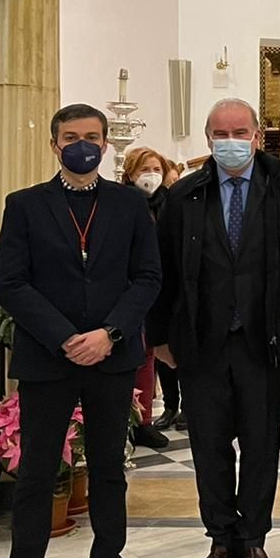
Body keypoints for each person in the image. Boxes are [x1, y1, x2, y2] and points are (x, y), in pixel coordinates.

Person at [0, 104, 162, 558]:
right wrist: (65, 337)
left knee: (109, 468)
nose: (81, 145)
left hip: (111, 356)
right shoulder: (25, 205)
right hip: (48, 357)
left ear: (106, 145)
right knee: (37, 471)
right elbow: (10, 282)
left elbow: (148, 277)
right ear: (54, 145)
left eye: (91, 136)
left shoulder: (130, 204)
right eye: (70, 137)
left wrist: (109, 333)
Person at [148, 98, 280, 558]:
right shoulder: (185, 195)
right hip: (202, 343)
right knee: (209, 445)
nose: (231, 141)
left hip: (265, 340)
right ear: (208, 139)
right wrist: (159, 337)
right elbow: (162, 270)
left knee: (262, 444)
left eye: (240, 132)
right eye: (221, 134)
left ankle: (254, 540)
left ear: (257, 137)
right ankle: (221, 539)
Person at [122, 146, 176, 448]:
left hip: (161, 289)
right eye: (145, 170)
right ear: (130, 174)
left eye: (157, 170)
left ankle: (144, 421)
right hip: (131, 290)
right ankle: (124, 420)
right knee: (133, 356)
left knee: (149, 357)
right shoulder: (122, 203)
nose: (151, 176)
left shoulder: (169, 203)